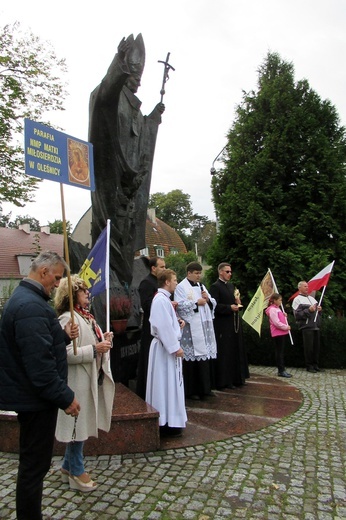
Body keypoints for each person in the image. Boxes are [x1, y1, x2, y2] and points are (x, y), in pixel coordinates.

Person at [0, 251, 80, 520]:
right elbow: (39, 364)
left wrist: (61, 337)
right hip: (34, 400)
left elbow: (40, 345)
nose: (58, 284)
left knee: (34, 465)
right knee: (34, 467)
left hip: (32, 397)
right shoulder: (31, 306)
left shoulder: (29, 301)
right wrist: (65, 398)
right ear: (44, 272)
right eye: (56, 278)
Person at [89, 34, 165, 285]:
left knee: (127, 240)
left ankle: (123, 292)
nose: (138, 84)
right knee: (112, 239)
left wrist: (152, 118)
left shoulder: (134, 108)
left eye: (139, 78)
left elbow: (140, 134)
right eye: (134, 77)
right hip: (112, 185)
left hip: (129, 192)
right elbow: (104, 97)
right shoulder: (110, 98)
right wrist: (118, 64)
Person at [54, 275, 115, 492]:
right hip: (76, 381)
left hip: (86, 378)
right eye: (83, 291)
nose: (88, 294)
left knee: (80, 424)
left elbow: (90, 343)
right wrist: (94, 350)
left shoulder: (86, 317)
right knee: (77, 426)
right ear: (72, 296)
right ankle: (76, 470)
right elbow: (64, 353)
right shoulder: (67, 319)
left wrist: (103, 339)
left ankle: (67, 466)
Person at [145, 269, 187, 437]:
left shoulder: (164, 300)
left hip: (165, 348)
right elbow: (162, 326)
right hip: (164, 350)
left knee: (170, 384)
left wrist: (177, 323)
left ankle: (172, 419)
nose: (176, 283)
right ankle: (165, 422)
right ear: (167, 282)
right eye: (175, 280)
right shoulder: (161, 300)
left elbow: (167, 323)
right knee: (164, 385)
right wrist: (175, 347)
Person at [174, 262, 217, 400]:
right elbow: (179, 305)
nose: (199, 275)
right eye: (196, 273)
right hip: (190, 329)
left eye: (200, 273)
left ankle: (205, 388)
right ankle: (191, 391)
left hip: (203, 326)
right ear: (189, 273)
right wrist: (196, 303)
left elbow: (212, 303)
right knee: (191, 360)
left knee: (204, 357)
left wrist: (207, 299)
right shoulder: (181, 287)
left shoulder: (202, 286)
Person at [209, 263, 249, 389]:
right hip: (223, 325)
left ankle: (236, 378)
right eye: (227, 271)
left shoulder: (231, 286)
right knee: (225, 352)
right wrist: (228, 308)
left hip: (234, 324)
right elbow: (214, 306)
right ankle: (224, 381)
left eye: (231, 272)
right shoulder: (215, 287)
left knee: (235, 350)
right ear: (220, 272)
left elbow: (235, 303)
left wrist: (238, 303)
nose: (230, 274)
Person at [136, 256, 166, 399]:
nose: (164, 269)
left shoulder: (160, 283)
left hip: (161, 327)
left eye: (165, 267)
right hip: (151, 328)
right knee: (149, 360)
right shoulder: (147, 283)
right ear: (153, 268)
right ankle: (146, 391)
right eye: (162, 267)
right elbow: (146, 305)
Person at [292, 281, 322, 373]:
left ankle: (315, 364)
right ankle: (309, 365)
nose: (307, 288)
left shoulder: (312, 299)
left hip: (315, 326)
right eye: (305, 286)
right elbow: (297, 315)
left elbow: (318, 314)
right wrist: (308, 310)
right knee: (308, 347)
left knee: (316, 347)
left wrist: (319, 310)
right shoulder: (297, 300)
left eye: (307, 286)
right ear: (299, 288)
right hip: (307, 326)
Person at [265, 293, 292, 378]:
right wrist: (286, 327)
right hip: (278, 332)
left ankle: (282, 369)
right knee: (279, 352)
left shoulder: (278, 309)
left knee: (281, 351)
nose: (281, 301)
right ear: (275, 300)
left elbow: (280, 319)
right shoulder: (272, 309)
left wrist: (284, 316)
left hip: (282, 332)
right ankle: (281, 370)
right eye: (279, 300)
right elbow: (276, 322)